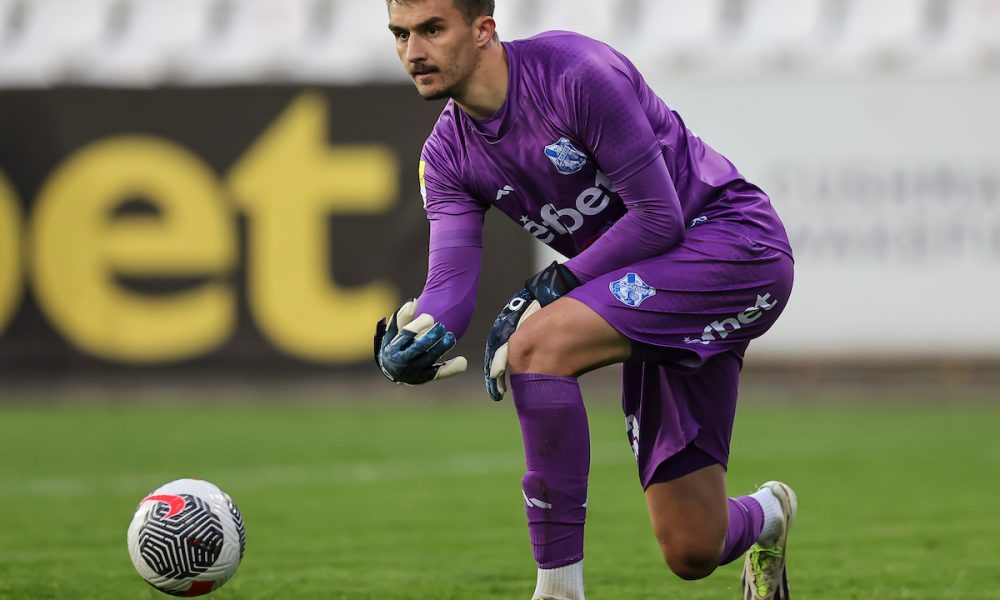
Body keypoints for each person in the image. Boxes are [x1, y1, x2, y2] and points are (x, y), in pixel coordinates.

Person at [374, 1, 797, 598]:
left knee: (536, 347)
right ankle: (770, 514)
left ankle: (558, 590)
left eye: (432, 30)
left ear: (484, 29)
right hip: (645, 289)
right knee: (693, 546)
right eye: (400, 35)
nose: (414, 52)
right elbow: (450, 287)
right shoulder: (446, 155)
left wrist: (553, 285)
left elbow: (658, 217)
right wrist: (418, 337)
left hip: (731, 245)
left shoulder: (574, 73)